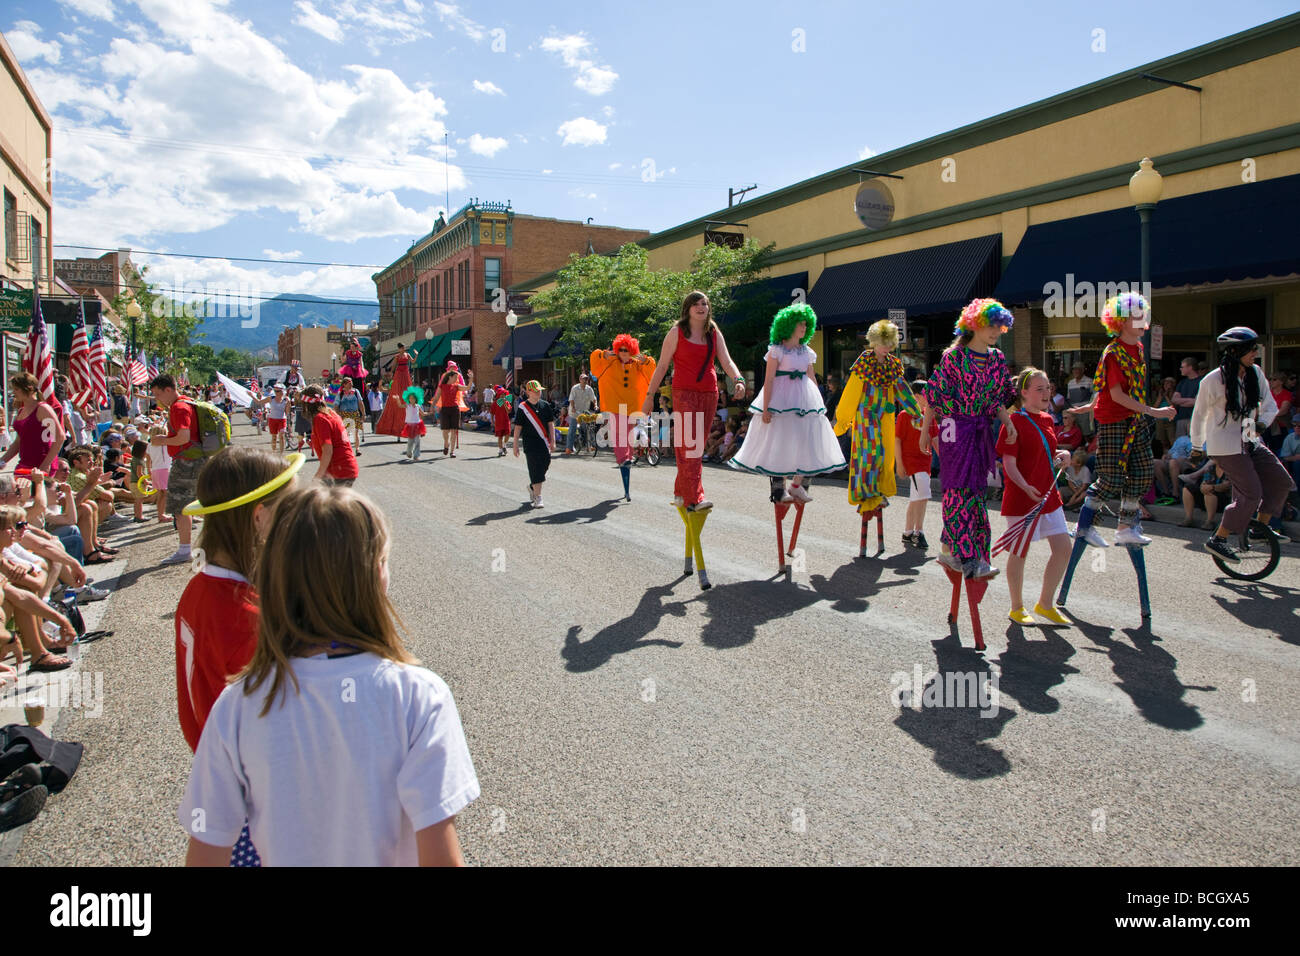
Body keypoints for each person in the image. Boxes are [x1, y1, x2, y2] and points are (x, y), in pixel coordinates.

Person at [179, 485, 479, 866]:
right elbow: (440, 853)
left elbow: (207, 851)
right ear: (376, 574)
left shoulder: (237, 704)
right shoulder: (420, 695)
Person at [175, 446, 301, 867]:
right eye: (291, 508)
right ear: (260, 517)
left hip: (220, 776)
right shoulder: (246, 619)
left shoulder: (200, 589)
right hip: (256, 795)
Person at [1067, 294, 1175, 550]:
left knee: (1142, 473)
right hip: (1115, 420)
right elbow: (1115, 394)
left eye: (1142, 316)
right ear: (1120, 322)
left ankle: (1126, 527)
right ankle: (1084, 527)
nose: (1141, 321)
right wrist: (1154, 411)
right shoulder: (1113, 352)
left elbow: (1106, 386)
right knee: (1111, 479)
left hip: (1134, 418)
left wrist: (1092, 403)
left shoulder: (1137, 349)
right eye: (1135, 317)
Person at [920, 299, 1017, 580]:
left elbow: (997, 399)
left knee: (976, 493)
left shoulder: (997, 359)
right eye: (990, 325)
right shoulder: (954, 357)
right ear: (973, 324)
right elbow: (934, 397)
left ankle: (957, 550)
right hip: (954, 429)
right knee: (957, 491)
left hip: (980, 430)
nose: (996, 331)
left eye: (1000, 326)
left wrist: (1007, 422)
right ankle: (967, 556)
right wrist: (926, 432)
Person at [1190, 327, 1294, 563]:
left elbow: (1269, 405)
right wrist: (1197, 446)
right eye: (1251, 349)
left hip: (1250, 438)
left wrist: (1262, 425)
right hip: (1225, 445)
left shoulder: (1255, 373)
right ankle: (1219, 538)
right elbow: (1200, 415)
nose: (1255, 353)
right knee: (1251, 493)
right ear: (1235, 352)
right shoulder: (1213, 380)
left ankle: (1259, 529)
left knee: (1281, 481)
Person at [639, 291, 748, 513]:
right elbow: (661, 367)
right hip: (684, 393)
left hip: (709, 393)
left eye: (705, 303)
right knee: (690, 446)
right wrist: (650, 397)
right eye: (696, 304)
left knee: (695, 446)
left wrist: (739, 379)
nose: (701, 307)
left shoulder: (713, 332)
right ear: (687, 308)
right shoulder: (676, 332)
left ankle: (681, 491)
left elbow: (726, 361)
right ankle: (695, 498)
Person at [730, 303, 844, 502]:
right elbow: (769, 380)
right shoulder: (777, 350)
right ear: (789, 325)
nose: (803, 327)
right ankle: (778, 490)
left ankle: (798, 485)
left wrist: (818, 404)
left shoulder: (806, 351)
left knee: (809, 439)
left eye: (805, 324)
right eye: (800, 324)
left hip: (803, 400)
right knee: (779, 442)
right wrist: (766, 408)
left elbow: (811, 378)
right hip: (781, 400)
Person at [996, 368, 1074, 626]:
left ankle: (1045, 604)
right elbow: (1008, 462)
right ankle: (1017, 607)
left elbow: (1047, 453)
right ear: (1024, 393)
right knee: (1019, 552)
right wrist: (1025, 486)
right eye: (1039, 389)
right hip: (1022, 498)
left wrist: (1063, 456)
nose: (1046, 393)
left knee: (1063, 549)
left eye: (1048, 388)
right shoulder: (1014, 421)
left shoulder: (1048, 419)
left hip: (1048, 497)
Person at [833, 318, 918, 516]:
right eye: (882, 343)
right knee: (870, 452)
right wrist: (843, 420)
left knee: (885, 454)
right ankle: (868, 494)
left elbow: (903, 390)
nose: (886, 347)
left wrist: (915, 411)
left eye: (889, 344)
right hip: (866, 415)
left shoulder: (893, 364)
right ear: (874, 342)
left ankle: (878, 490)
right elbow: (852, 391)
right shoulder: (864, 361)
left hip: (885, 416)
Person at [589, 337, 656, 500]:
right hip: (614, 406)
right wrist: (602, 355)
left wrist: (646, 361)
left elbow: (653, 373)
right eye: (622, 350)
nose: (624, 353)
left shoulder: (639, 364)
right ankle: (624, 460)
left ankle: (626, 471)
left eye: (628, 350)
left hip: (632, 408)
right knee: (619, 435)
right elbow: (594, 360)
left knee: (629, 437)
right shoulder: (609, 361)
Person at [149, 374, 205, 566]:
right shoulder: (187, 402)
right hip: (195, 458)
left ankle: (184, 549)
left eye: (158, 394)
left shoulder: (178, 407)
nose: (158, 399)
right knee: (196, 504)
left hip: (186, 461)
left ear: (168, 390)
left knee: (180, 506)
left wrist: (161, 440)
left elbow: (183, 437)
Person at [895, 380, 938, 548]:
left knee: (918, 498)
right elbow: (897, 440)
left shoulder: (929, 415)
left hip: (925, 462)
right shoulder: (904, 415)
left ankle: (908, 532)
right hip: (911, 462)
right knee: (922, 495)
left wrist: (948, 462)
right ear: (918, 396)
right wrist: (899, 464)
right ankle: (919, 532)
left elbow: (935, 440)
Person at [2, 372, 65, 475]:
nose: (13, 392)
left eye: (16, 389)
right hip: (24, 465)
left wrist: (45, 465)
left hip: (41, 466)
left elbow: (59, 437)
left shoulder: (43, 409)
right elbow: (18, 442)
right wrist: (2, 461)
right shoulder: (21, 411)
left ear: (30, 388)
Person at [300, 386, 360, 487]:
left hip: (338, 470)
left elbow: (328, 451)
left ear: (307, 405)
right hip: (346, 467)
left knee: (326, 501)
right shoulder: (331, 413)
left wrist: (318, 476)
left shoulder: (320, 419)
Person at [513, 380, 557, 508]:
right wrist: (515, 444)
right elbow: (518, 427)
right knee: (535, 469)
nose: (539, 393)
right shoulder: (522, 407)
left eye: (539, 390)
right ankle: (538, 497)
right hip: (530, 444)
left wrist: (553, 441)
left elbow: (550, 424)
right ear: (528, 392)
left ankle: (533, 487)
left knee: (545, 464)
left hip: (544, 442)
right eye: (536, 391)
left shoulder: (545, 405)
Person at [375, 345, 415, 440]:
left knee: (407, 391)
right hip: (399, 373)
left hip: (405, 373)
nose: (402, 349)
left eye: (403, 348)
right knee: (397, 391)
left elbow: (413, 362)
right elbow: (393, 367)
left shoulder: (407, 355)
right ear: (399, 349)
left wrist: (416, 355)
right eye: (401, 348)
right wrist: (391, 374)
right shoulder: (397, 356)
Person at [1178, 459, 1230, 529]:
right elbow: (1204, 482)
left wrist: (1212, 487)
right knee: (1188, 488)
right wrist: (1203, 486)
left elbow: (1226, 486)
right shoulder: (1211, 468)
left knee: (1209, 492)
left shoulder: (1229, 469)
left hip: (1224, 500)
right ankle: (1188, 519)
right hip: (1208, 497)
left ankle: (1209, 522)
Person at [435, 363, 471, 457]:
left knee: (454, 431)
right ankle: (446, 443)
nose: (457, 379)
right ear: (450, 377)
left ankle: (452, 451)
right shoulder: (442, 386)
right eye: (455, 377)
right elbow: (437, 396)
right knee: (445, 431)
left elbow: (467, 388)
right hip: (445, 409)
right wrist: (434, 406)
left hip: (455, 409)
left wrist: (471, 379)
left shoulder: (457, 386)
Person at [565, 372, 599, 457]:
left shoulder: (589, 389)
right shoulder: (575, 388)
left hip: (584, 412)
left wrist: (595, 405)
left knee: (588, 428)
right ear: (580, 380)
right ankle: (569, 448)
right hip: (575, 412)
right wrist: (572, 407)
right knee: (572, 429)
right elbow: (571, 399)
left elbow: (593, 399)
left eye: (586, 379)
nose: (585, 380)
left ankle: (589, 446)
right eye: (583, 379)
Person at [1171, 356, 1202, 440]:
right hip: (1181, 418)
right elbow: (1174, 400)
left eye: (1182, 367)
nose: (1180, 369)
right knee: (1180, 444)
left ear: (1190, 367)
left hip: (1194, 419)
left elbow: (1198, 402)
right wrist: (1190, 400)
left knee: (1193, 444)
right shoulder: (1182, 382)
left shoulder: (1202, 382)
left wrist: (1181, 401)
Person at [255, 383, 291, 455]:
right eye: (275, 391)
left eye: (278, 391)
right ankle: (274, 452)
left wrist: (289, 403)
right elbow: (259, 402)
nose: (276, 393)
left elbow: (287, 412)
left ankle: (281, 453)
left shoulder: (285, 400)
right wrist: (251, 395)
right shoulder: (271, 398)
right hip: (273, 419)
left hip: (282, 419)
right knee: (274, 437)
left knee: (281, 435)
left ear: (282, 392)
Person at [335, 377, 365, 457]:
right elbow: (336, 405)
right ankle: (347, 449)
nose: (351, 384)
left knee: (356, 432)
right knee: (346, 433)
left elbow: (360, 403)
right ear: (344, 384)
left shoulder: (355, 392)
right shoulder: (340, 393)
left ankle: (357, 449)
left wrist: (363, 414)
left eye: (351, 382)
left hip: (355, 414)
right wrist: (338, 415)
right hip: (344, 415)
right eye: (349, 383)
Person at [1064, 361, 1095, 437]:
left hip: (1085, 412)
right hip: (1074, 412)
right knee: (1076, 432)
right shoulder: (1070, 383)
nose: (1075, 371)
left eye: (1077, 369)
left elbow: (1094, 396)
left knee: (1086, 432)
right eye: (1074, 369)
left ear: (1082, 370)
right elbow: (1069, 398)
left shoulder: (1089, 381)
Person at [1266, 372, 1293, 454]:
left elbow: (1283, 411)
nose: (1271, 381)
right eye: (1269, 379)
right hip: (1268, 425)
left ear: (1281, 382)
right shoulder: (1267, 394)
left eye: (1274, 379)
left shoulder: (1286, 394)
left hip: (1281, 426)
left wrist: (1268, 414)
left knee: (1279, 450)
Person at [490, 385, 513, 457]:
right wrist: (492, 421)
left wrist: (505, 404)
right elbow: (492, 413)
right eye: (502, 394)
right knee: (500, 436)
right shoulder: (495, 403)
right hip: (499, 421)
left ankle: (504, 445)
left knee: (508, 434)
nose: (503, 395)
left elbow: (508, 411)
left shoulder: (507, 402)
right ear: (499, 394)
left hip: (506, 421)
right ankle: (500, 450)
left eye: (504, 394)